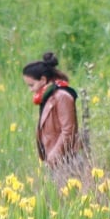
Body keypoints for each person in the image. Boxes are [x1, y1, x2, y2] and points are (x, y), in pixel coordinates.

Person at [22, 52, 87, 181]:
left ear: (43, 80)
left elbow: (69, 131)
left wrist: (53, 156)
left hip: (67, 162)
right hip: (56, 162)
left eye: (31, 85)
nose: (30, 90)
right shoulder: (49, 97)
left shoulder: (62, 96)